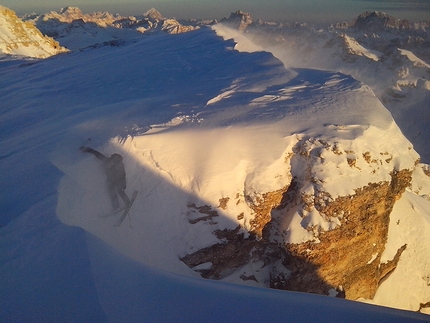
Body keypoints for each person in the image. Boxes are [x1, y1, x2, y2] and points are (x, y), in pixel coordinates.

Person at [80, 146, 130, 212]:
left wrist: (123, 184)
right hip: (111, 180)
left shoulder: (120, 165)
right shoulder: (107, 161)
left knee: (120, 190)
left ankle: (127, 203)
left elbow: (123, 175)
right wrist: (88, 150)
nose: (113, 161)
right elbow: (98, 154)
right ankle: (116, 207)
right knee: (112, 192)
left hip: (118, 180)